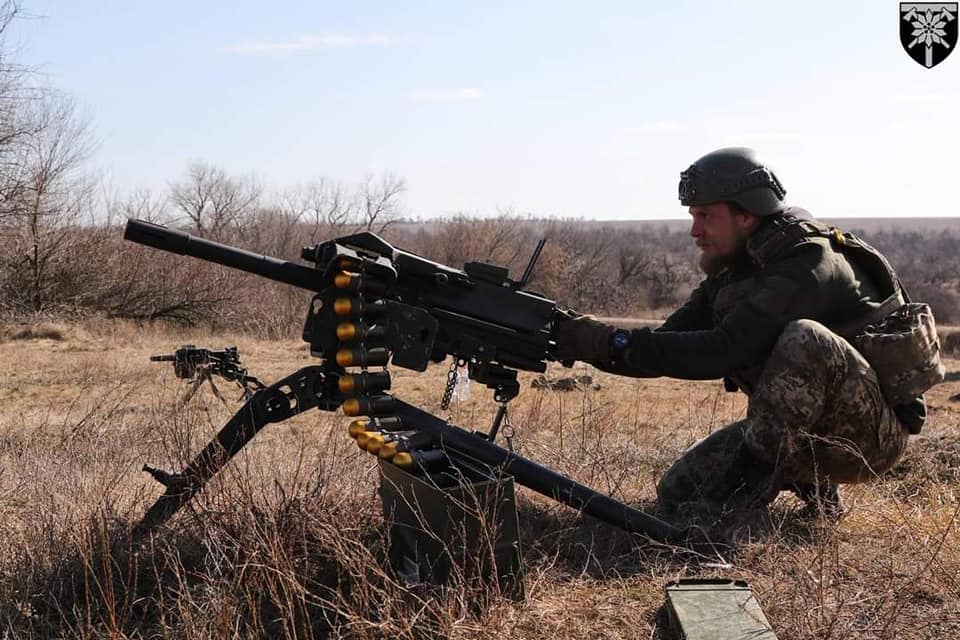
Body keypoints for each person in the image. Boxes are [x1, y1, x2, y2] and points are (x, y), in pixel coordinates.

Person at [552, 147, 933, 532]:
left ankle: (737, 506)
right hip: (809, 430)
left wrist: (610, 342)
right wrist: (585, 340)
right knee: (677, 491)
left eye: (706, 216)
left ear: (747, 216)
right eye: (693, 216)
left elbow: (722, 350)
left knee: (805, 339)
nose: (694, 231)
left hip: (871, 440)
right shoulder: (739, 266)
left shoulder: (806, 264)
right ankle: (812, 485)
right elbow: (666, 344)